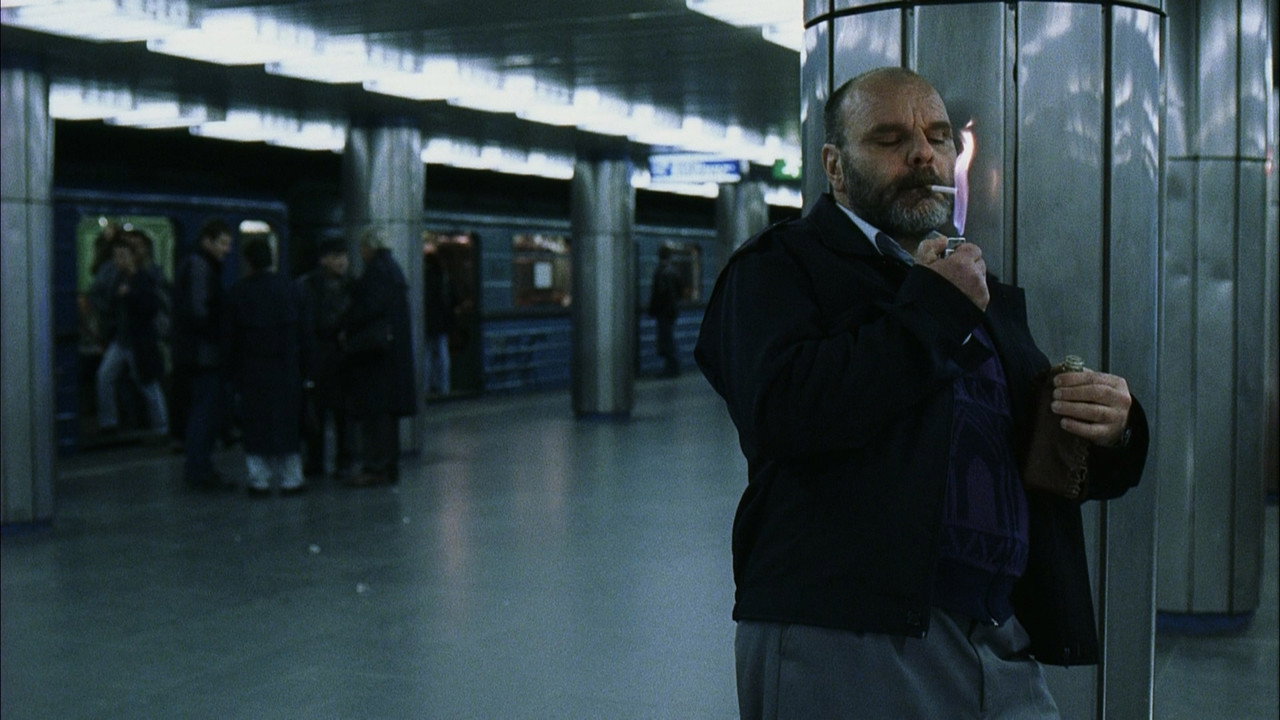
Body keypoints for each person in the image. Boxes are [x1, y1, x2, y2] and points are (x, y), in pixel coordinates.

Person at [694, 67, 1150, 719]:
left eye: (938, 137)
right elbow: (784, 413)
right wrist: (935, 310)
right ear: (835, 165)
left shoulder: (969, 287)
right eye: (889, 139)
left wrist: (1113, 431)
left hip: (998, 638)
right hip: (845, 635)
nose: (923, 155)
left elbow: (1015, 447)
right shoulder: (779, 268)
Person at [226, 238, 307, 494]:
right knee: (286, 424)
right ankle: (291, 478)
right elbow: (304, 333)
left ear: (248, 262)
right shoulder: (290, 289)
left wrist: (232, 372)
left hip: (252, 369)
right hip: (286, 368)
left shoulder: (239, 292)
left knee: (256, 425)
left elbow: (230, 337)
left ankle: (259, 479)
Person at [341, 228, 417, 487]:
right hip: (391, 354)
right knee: (387, 417)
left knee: (375, 415)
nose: (362, 253)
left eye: (363, 247)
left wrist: (346, 321)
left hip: (376, 356)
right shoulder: (393, 270)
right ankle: (388, 465)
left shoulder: (376, 273)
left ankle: (375, 467)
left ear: (370, 247)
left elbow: (367, 309)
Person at [172, 218, 234, 491]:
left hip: (194, 351)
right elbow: (200, 311)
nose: (227, 250)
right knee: (204, 412)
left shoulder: (195, 263)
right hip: (203, 353)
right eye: (222, 243)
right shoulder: (200, 266)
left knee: (202, 411)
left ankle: (200, 467)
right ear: (207, 241)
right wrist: (219, 333)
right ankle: (199, 469)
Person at [93, 235, 169, 437]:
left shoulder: (143, 278)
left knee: (147, 384)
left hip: (139, 341)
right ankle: (108, 422)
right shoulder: (118, 279)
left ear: (132, 257)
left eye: (123, 256)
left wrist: (130, 295)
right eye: (116, 256)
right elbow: (108, 305)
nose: (119, 261)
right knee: (104, 377)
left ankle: (161, 427)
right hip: (122, 339)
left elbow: (151, 308)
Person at [297, 235, 354, 480]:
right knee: (318, 411)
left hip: (338, 355)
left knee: (341, 412)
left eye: (344, 256)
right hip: (322, 353)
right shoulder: (309, 286)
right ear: (324, 260)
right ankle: (318, 459)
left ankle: (340, 459)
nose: (342, 261)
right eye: (336, 256)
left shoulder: (348, 285)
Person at [422, 241, 456, 398]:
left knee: (427, 354)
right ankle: (444, 386)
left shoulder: (425, 277)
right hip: (443, 320)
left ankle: (427, 386)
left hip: (428, 320)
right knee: (442, 353)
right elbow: (454, 298)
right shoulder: (444, 276)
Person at [647, 245, 685, 377]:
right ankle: (672, 368)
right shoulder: (675, 272)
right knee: (669, 339)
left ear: (660, 256)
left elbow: (658, 294)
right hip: (672, 311)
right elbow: (680, 292)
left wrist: (652, 309)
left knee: (665, 340)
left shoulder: (661, 272)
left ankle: (672, 369)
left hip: (663, 311)